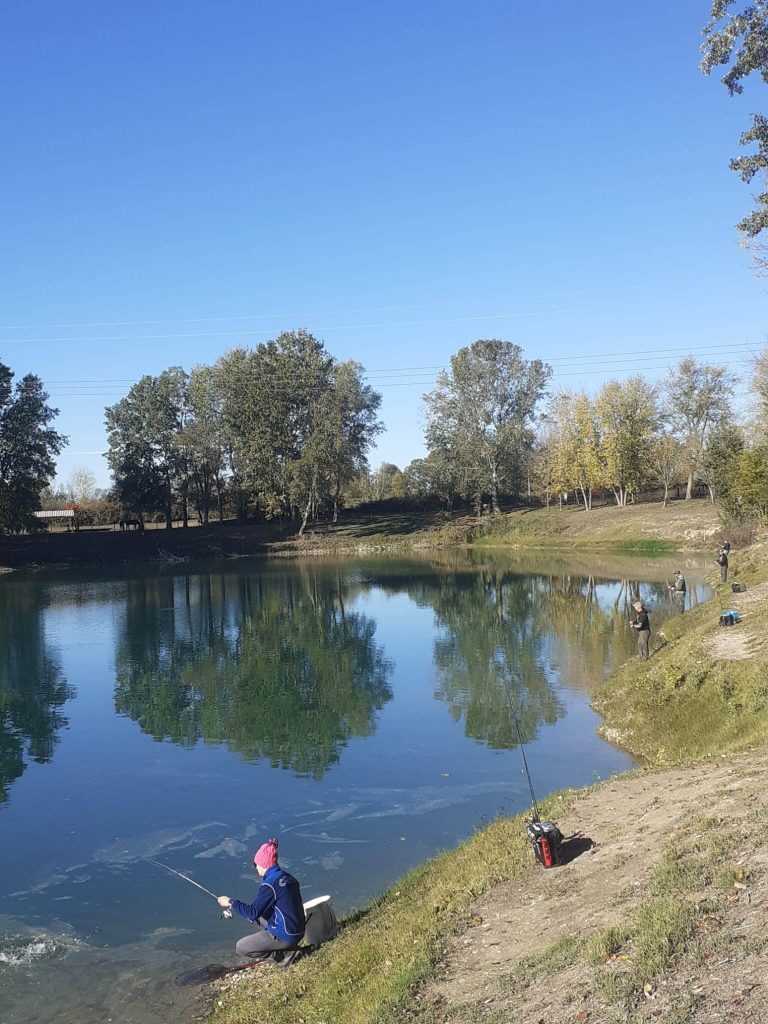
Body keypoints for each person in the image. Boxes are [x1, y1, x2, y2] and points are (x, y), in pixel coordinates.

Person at [217, 838, 306, 959]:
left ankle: (286, 955)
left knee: (241, 947)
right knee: (260, 914)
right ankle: (285, 948)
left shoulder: (270, 884)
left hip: (286, 935)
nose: (255, 867)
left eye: (255, 864)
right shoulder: (288, 877)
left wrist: (230, 902)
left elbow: (252, 913)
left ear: (263, 864)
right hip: (299, 930)